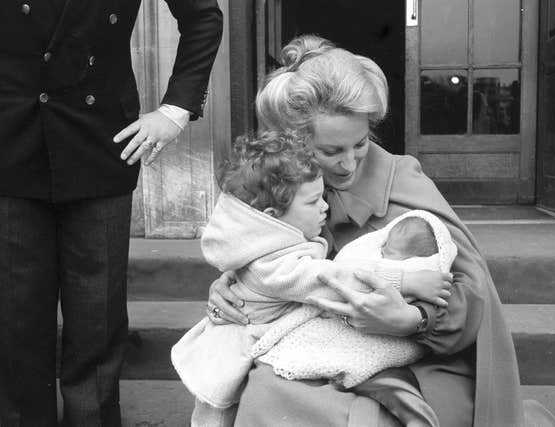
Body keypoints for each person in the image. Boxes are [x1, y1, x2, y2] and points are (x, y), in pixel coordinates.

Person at [207, 35, 526, 427]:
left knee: (286, 399)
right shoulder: (287, 188)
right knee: (259, 387)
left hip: (422, 361)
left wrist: (411, 320)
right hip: (321, 350)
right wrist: (232, 291)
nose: (347, 164)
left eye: (359, 144)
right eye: (329, 151)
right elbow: (266, 257)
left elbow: (472, 298)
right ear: (296, 141)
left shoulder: (403, 180)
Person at [0, 2, 223, 425]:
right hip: (8, 139)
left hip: (100, 138)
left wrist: (174, 110)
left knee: (96, 323)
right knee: (15, 321)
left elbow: (203, 15)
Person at [171, 132, 455, 427]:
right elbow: (329, 279)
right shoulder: (271, 265)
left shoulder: (269, 243)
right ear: (272, 216)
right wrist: (405, 280)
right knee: (218, 413)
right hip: (235, 348)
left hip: (267, 334)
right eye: (312, 202)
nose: (324, 207)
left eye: (323, 197)